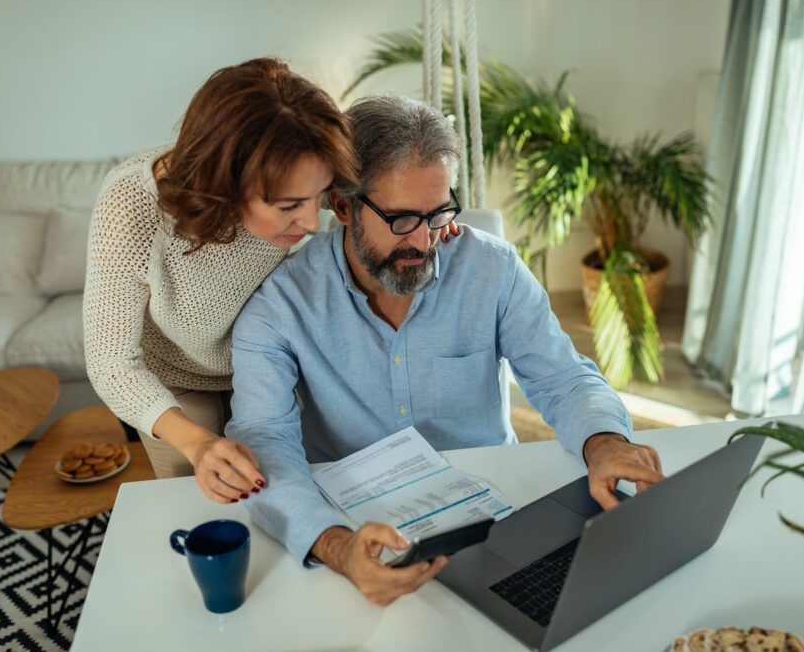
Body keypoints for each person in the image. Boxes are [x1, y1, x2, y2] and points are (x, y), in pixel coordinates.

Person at [226, 95, 665, 606]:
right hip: (352, 522)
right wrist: (336, 546)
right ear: (343, 207)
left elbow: (563, 378)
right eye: (402, 219)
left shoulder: (492, 269)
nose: (425, 241)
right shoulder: (280, 304)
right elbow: (264, 441)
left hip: (494, 514)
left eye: (437, 214)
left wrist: (605, 443)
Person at [84, 59, 453, 503]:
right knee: (201, 500)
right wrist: (197, 445)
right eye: (289, 206)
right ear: (225, 186)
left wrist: (425, 221)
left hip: (270, 358)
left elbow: (388, 187)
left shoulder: (303, 164)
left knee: (284, 487)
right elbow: (111, 364)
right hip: (178, 379)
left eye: (318, 197)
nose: (311, 222)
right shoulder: (132, 207)